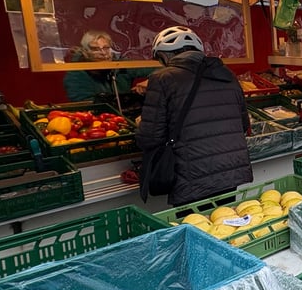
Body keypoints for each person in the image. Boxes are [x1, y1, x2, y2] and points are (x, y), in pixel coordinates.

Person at [135, 26, 252, 205]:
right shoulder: (226, 74)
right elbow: (243, 124)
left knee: (193, 226)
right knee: (224, 222)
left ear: (165, 56)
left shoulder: (162, 78)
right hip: (229, 170)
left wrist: (142, 123)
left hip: (191, 174)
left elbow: (150, 138)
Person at [63, 30, 151, 102]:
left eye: (106, 48)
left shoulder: (121, 65)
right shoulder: (75, 75)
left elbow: (161, 70)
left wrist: (150, 82)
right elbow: (86, 105)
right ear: (85, 52)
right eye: (95, 49)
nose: (103, 53)